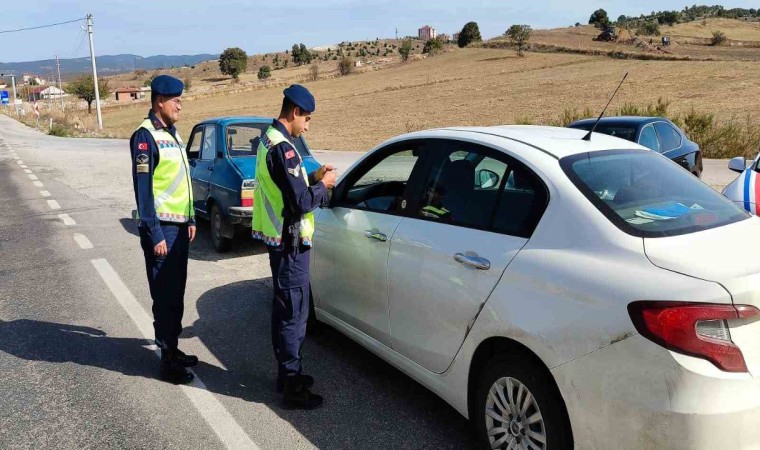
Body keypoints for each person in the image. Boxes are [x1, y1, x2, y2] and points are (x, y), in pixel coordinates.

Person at [252, 84, 337, 409]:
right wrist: (325, 188)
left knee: (285, 311)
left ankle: (286, 375)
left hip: (281, 242)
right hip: (290, 244)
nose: (308, 126)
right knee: (294, 316)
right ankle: (292, 386)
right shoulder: (284, 147)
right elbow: (299, 201)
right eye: (308, 119)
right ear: (295, 112)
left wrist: (313, 175)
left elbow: (289, 185)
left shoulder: (268, 140)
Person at [130, 75, 198, 385]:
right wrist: (154, 232)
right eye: (176, 100)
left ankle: (173, 347)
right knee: (166, 294)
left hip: (180, 227)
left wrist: (192, 217)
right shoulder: (145, 137)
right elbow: (144, 192)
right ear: (160, 102)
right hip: (163, 231)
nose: (180, 105)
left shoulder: (172, 134)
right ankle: (167, 360)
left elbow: (181, 181)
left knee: (177, 292)